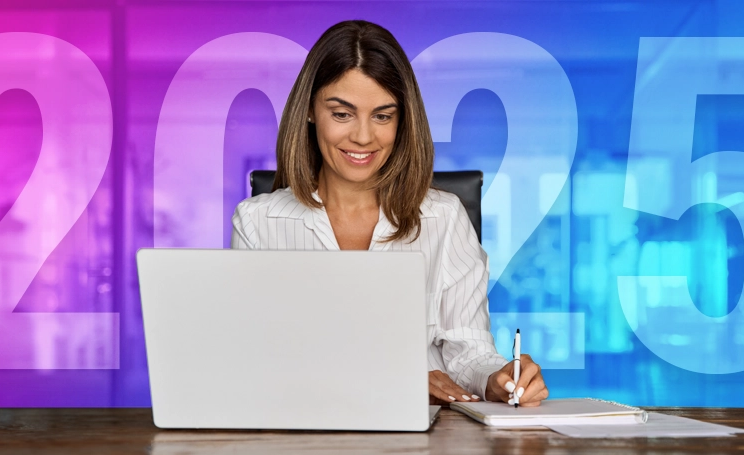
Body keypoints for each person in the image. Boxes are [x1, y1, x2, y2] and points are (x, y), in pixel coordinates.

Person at [231, 20, 547, 406]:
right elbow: (257, 358)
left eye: (382, 116)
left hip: (425, 435)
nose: (363, 137)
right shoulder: (257, 223)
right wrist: (393, 379)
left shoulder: (444, 218)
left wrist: (497, 379)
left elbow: (470, 352)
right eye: (342, 114)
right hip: (305, 429)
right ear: (311, 110)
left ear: (402, 120)